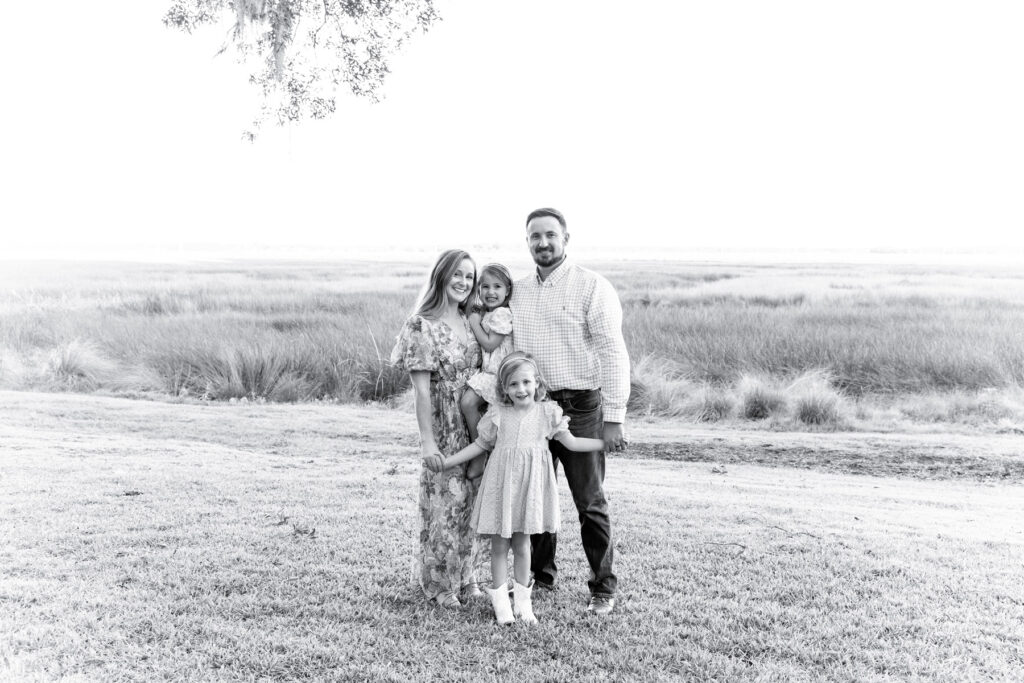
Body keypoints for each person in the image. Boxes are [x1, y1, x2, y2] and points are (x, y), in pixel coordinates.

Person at [509, 207, 630, 616]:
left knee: (589, 501)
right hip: (533, 406)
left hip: (581, 407)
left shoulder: (592, 287)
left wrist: (614, 417)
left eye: (550, 235)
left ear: (565, 238)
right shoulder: (518, 290)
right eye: (534, 236)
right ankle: (540, 578)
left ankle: (603, 587)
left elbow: (613, 353)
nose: (542, 242)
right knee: (535, 496)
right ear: (527, 241)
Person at [425, 352, 605, 624]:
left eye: (526, 382)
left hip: (529, 490)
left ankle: (523, 604)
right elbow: (479, 445)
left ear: (537, 384)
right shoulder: (498, 415)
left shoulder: (548, 413)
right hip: (502, 487)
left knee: (522, 545)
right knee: (499, 546)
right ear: (504, 389)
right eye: (513, 384)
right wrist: (447, 461)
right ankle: (501, 606)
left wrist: (605, 444)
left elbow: (573, 444)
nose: (521, 389)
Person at [389, 248, 488, 609]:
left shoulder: (472, 320)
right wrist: (428, 441)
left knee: (473, 504)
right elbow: (421, 389)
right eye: (457, 274)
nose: (463, 282)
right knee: (445, 504)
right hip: (444, 424)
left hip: (476, 422)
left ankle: (467, 575)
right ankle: (440, 582)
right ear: (442, 276)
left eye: (469, 277)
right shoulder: (422, 324)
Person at [459, 263, 516, 478]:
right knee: (490, 419)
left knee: (468, 403)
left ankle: (479, 454)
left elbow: (491, 344)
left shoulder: (502, 314)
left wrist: (474, 323)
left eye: (497, 287)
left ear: (507, 290)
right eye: (485, 286)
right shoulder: (488, 312)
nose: (490, 292)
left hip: (497, 375)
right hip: (489, 372)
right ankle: (485, 454)